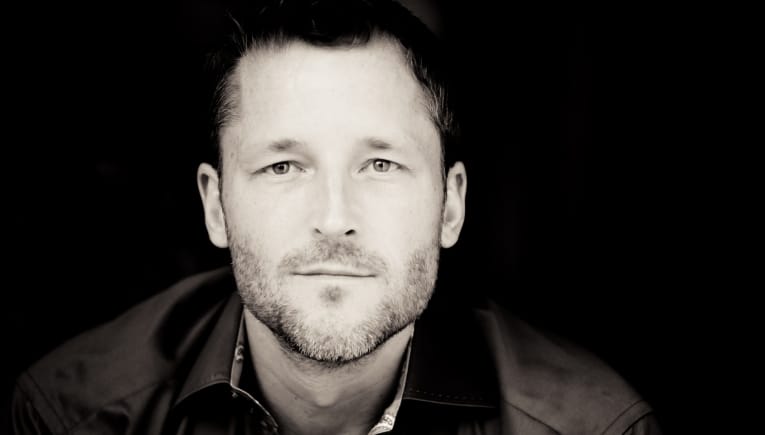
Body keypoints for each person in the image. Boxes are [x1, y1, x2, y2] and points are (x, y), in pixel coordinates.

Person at [11, 0, 661, 434]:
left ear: (451, 205)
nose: (333, 217)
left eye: (379, 164)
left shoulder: (594, 427)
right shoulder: (73, 414)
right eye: (283, 166)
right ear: (215, 205)